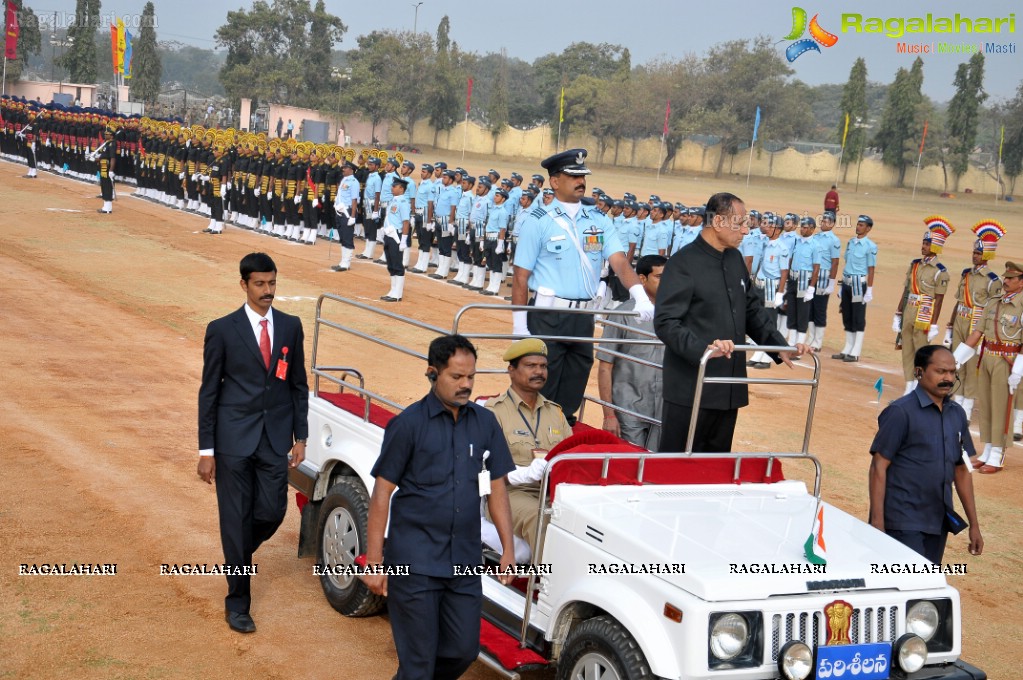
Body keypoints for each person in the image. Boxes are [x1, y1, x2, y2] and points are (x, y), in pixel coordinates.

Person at [364, 335, 516, 680]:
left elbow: (497, 488)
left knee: (462, 651)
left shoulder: (485, 422)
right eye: (456, 377)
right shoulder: (408, 425)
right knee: (418, 664)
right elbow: (381, 494)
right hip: (414, 561)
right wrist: (374, 561)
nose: (466, 385)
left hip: (463, 562)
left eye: (471, 377)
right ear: (433, 373)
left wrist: (508, 549)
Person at [196, 253, 309, 634]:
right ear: (243, 284)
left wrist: (301, 436)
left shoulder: (291, 327)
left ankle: (238, 554)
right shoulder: (222, 329)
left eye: (272, 283)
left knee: (272, 511)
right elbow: (208, 392)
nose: (267, 291)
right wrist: (206, 450)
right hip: (231, 441)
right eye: (260, 284)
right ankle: (238, 602)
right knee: (234, 519)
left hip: (274, 438)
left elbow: (298, 385)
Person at [654, 192, 807, 453]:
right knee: (676, 469)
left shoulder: (735, 259)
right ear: (717, 222)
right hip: (692, 388)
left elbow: (751, 309)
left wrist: (778, 346)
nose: (746, 231)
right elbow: (666, 322)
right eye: (739, 224)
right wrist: (703, 348)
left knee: (716, 472)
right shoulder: (684, 263)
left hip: (728, 387)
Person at [512, 149, 654, 426]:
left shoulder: (599, 221)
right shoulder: (537, 221)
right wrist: (520, 328)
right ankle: (529, 457)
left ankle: (558, 451)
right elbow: (520, 277)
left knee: (572, 389)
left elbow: (620, 263)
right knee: (540, 387)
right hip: (547, 316)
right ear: (554, 181)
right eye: (573, 176)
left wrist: (640, 296)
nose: (580, 181)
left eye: (582, 176)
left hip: (582, 319)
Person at [869, 345, 983, 564]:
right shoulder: (900, 412)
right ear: (919, 372)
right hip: (902, 521)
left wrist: (974, 525)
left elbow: (961, 470)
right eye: (941, 371)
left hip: (938, 522)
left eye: (952, 372)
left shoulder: (957, 414)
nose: (948, 378)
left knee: (926, 586)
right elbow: (878, 466)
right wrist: (877, 524)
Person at [484, 339, 572, 559]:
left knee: (580, 518)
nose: (539, 372)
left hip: (553, 491)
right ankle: (547, 586)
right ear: (511, 370)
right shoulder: (494, 412)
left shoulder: (555, 413)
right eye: (531, 366)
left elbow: (571, 456)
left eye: (543, 366)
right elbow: (483, 472)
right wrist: (522, 474)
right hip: (508, 494)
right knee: (541, 517)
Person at [951, 261, 1023, 473]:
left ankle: (997, 455)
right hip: (987, 357)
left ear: (1021, 282)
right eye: (1005, 277)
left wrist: (1018, 369)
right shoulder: (994, 302)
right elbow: (977, 332)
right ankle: (988, 449)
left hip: (1007, 360)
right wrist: (956, 360)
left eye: (1011, 278)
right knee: (988, 407)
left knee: (1002, 407)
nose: (1005, 281)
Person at [597, 255, 666, 449]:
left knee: (654, 468)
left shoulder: (675, 314)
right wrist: (609, 415)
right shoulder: (623, 314)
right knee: (629, 466)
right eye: (659, 277)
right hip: (628, 409)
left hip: (662, 409)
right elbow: (605, 367)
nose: (666, 282)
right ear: (642, 279)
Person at [944, 220, 1005, 422]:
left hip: (976, 325)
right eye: (974, 253)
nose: (974, 256)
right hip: (961, 320)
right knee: (957, 363)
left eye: (978, 254)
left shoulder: (993, 281)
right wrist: (950, 327)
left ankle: (967, 408)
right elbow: (959, 301)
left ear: (986, 255)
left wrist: (987, 336)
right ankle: (955, 402)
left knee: (972, 368)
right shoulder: (966, 274)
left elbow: (993, 311)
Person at [895, 218, 953, 395]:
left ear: (935, 246)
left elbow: (939, 299)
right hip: (909, 309)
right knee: (907, 349)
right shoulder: (915, 265)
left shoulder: (940, 271)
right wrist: (898, 312)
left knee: (921, 353)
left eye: (927, 243)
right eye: (923, 242)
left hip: (924, 314)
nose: (924, 246)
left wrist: (934, 323)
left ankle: (918, 388)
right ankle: (908, 386)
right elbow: (906, 290)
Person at [832, 215, 877, 363]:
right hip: (846, 283)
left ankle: (856, 350)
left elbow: (871, 269)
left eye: (862, 225)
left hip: (859, 284)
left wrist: (869, 289)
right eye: (858, 224)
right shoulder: (851, 242)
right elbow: (847, 265)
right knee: (847, 316)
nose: (858, 227)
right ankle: (847, 347)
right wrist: (840, 286)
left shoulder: (870, 246)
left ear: (868, 228)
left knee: (858, 317)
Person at [380, 177, 411, 302]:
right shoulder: (394, 200)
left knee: (397, 264)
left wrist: (403, 240)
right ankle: (393, 290)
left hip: (396, 236)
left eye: (395, 186)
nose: (392, 188)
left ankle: (398, 293)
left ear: (401, 189)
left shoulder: (403, 202)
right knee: (391, 264)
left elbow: (405, 222)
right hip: (389, 234)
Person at [330, 160, 361, 272]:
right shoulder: (344, 179)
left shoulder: (354, 182)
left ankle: (346, 263)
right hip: (340, 211)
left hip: (348, 212)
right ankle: (342, 261)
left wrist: (352, 216)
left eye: (345, 168)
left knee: (347, 237)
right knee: (342, 237)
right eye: (343, 167)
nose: (343, 169)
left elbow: (354, 200)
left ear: (351, 170)